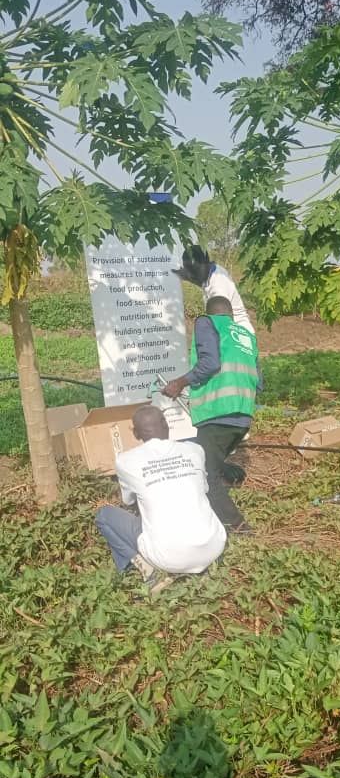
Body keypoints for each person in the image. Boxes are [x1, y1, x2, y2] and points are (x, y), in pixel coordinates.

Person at [95, 405, 226, 585]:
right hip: (213, 547)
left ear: (136, 434)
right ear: (167, 425)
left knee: (104, 515)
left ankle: (145, 569)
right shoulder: (194, 450)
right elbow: (204, 489)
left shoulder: (125, 460)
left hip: (168, 557)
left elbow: (128, 501)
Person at [162, 296, 261, 534]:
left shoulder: (207, 323)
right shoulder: (246, 336)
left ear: (211, 312)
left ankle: (237, 527)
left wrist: (180, 383)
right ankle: (229, 471)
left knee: (205, 474)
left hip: (219, 413)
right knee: (209, 453)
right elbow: (259, 380)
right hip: (243, 415)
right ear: (231, 314)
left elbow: (210, 363)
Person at [173, 245, 255, 333]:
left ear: (202, 266)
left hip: (237, 334)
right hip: (234, 331)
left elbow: (222, 325)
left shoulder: (218, 287)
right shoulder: (212, 271)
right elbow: (199, 281)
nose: (192, 277)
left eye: (194, 274)